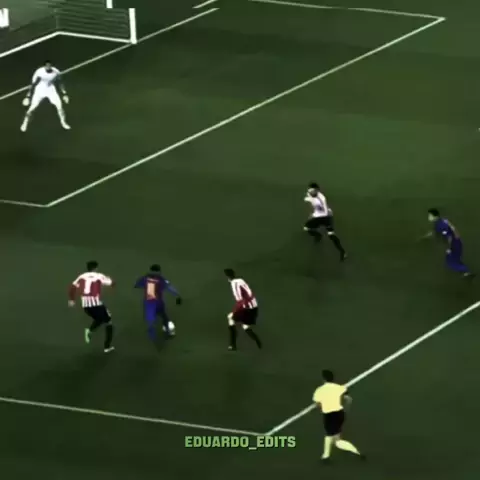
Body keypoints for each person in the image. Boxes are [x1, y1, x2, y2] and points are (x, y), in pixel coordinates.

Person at [312, 370, 363, 462]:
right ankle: (326, 456)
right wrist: (345, 409)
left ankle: (327, 456)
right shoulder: (338, 387)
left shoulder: (319, 390)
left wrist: (323, 406)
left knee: (333, 438)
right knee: (335, 437)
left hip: (329, 415)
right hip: (339, 413)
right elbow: (348, 399)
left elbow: (317, 404)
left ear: (323, 379)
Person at [68, 261, 115, 353]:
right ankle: (106, 346)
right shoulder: (99, 276)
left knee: (103, 319)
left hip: (86, 306)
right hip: (96, 304)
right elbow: (112, 283)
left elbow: (72, 287)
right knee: (108, 322)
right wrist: (110, 280)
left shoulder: (81, 276)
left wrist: (71, 300)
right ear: (96, 268)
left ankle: (91, 331)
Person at [134, 264, 182, 339]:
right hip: (158, 303)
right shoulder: (160, 279)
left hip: (149, 303)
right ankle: (169, 331)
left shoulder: (145, 278)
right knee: (164, 317)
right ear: (158, 271)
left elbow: (136, 285)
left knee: (151, 319)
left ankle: (152, 333)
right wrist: (177, 295)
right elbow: (170, 288)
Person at [21, 60, 70, 132]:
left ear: (51, 66)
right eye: (47, 66)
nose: (48, 67)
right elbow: (33, 84)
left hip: (51, 90)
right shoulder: (39, 72)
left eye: (49, 66)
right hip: (39, 90)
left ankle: (63, 122)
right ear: (44, 66)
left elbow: (60, 83)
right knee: (32, 107)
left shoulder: (56, 72)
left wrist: (64, 94)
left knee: (60, 106)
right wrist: (28, 96)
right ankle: (24, 123)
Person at [425, 208, 474, 278]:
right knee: (453, 259)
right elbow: (436, 231)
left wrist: (449, 248)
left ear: (435, 216)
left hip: (454, 243)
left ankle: (466, 272)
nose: (428, 217)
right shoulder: (442, 221)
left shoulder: (440, 225)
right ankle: (465, 273)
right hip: (457, 241)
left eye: (430, 216)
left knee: (450, 263)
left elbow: (449, 236)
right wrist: (425, 237)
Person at [304, 183, 347, 261]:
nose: (310, 192)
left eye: (312, 191)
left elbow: (325, 212)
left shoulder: (322, 199)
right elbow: (310, 201)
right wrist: (309, 202)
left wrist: (313, 215)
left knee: (331, 235)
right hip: (318, 216)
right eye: (309, 191)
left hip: (326, 217)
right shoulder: (310, 195)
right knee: (306, 228)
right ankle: (318, 235)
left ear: (317, 190)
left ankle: (342, 252)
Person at [224, 268, 262, 351]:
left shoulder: (234, 284)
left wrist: (234, 311)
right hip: (254, 306)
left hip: (247, 308)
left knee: (230, 318)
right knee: (245, 325)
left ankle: (232, 345)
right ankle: (258, 342)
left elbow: (240, 301)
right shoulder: (240, 280)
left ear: (227, 277)